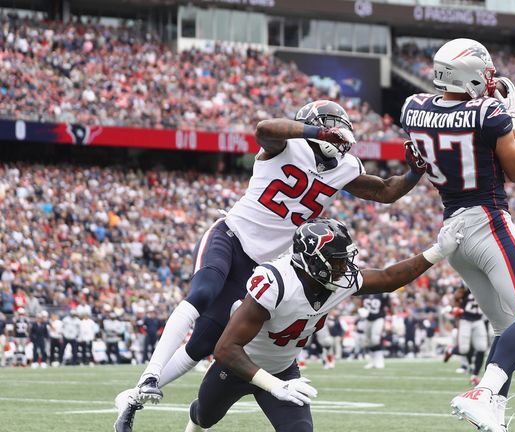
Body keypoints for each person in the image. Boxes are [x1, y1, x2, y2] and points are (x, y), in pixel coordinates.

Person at [114, 100, 426, 432]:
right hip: (231, 236)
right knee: (203, 292)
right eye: (331, 127)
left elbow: (385, 192)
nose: (339, 136)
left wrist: (415, 172)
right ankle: (149, 376)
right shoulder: (286, 145)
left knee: (204, 343)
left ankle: (132, 399)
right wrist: (315, 132)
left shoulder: (345, 167)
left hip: (259, 264)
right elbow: (264, 129)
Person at [400, 38, 515, 432]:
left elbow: (419, 158)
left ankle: (494, 416)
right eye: (484, 72)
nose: (490, 79)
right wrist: (512, 115)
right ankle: (483, 393)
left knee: (506, 330)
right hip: (486, 220)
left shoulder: (413, 108)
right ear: (468, 74)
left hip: (451, 230)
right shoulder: (487, 111)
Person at [184, 217, 463, 432]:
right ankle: (194, 419)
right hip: (238, 367)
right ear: (312, 261)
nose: (345, 268)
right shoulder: (277, 282)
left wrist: (438, 252)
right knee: (205, 417)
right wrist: (273, 386)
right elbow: (225, 348)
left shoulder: (335, 282)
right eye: (337, 261)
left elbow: (389, 278)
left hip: (283, 370)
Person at [454, 284, 488, 384]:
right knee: (464, 348)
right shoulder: (465, 285)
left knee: (482, 347)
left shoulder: (485, 285)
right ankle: (451, 349)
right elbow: (456, 297)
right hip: (466, 319)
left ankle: (474, 375)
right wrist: (457, 306)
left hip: (478, 319)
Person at [362, 293, 389, 369]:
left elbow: (387, 305)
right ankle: (372, 361)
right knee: (369, 341)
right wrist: (361, 311)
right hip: (367, 319)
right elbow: (361, 305)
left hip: (378, 318)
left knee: (375, 339)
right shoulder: (365, 294)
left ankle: (379, 360)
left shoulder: (382, 294)